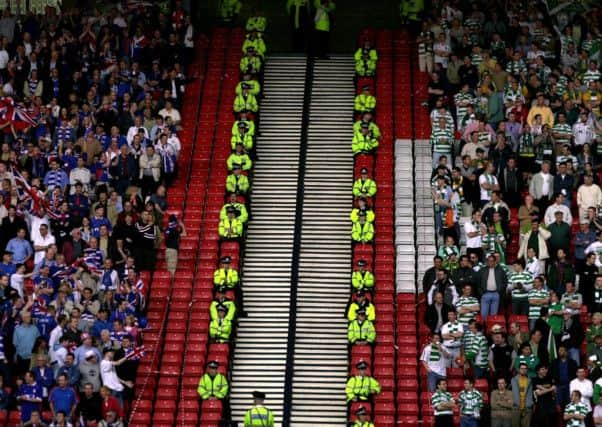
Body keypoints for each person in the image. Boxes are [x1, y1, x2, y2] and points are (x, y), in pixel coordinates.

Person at [477, 254, 507, 321]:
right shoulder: (482, 270)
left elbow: (505, 282)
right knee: (484, 314)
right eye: (489, 261)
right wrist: (481, 292)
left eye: (492, 261)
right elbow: (477, 282)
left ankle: (491, 330)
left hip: (496, 294)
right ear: (487, 261)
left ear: (495, 261)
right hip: (485, 293)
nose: (490, 262)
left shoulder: (500, 270)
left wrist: (499, 291)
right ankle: (484, 329)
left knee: (493, 315)